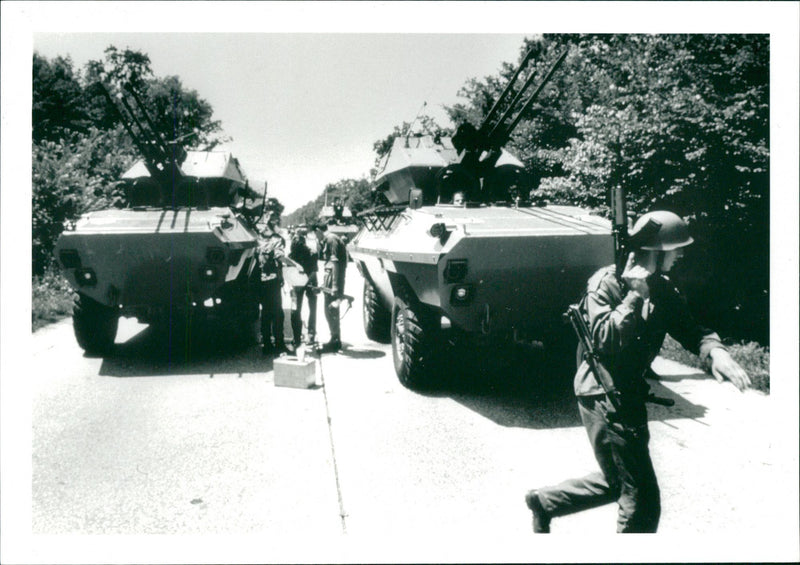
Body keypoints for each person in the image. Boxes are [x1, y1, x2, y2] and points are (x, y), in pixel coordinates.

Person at [525, 210, 751, 534]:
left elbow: (690, 328)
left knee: (620, 480)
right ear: (657, 252)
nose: (682, 253)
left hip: (626, 394)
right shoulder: (606, 283)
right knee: (642, 500)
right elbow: (605, 340)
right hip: (604, 395)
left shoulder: (663, 288)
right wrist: (634, 295)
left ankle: (546, 502)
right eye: (677, 247)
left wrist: (715, 351)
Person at [310, 220, 347, 353]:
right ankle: (334, 338)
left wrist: (336, 287)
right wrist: (322, 285)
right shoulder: (327, 240)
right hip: (330, 280)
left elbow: (335, 263)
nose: (316, 237)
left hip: (334, 281)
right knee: (328, 311)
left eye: (315, 234)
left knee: (331, 311)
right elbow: (328, 266)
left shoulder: (331, 239)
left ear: (318, 231)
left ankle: (336, 341)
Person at [257, 210, 287, 355]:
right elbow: (280, 256)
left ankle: (267, 344)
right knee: (277, 313)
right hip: (273, 282)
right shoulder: (277, 240)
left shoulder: (257, 238)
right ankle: (279, 343)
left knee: (265, 313)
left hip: (260, 282)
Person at [288, 226, 318, 347]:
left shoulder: (291, 253)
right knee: (311, 308)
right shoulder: (312, 251)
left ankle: (297, 338)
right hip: (309, 280)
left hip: (300, 281)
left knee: (296, 309)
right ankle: (310, 334)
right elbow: (314, 269)